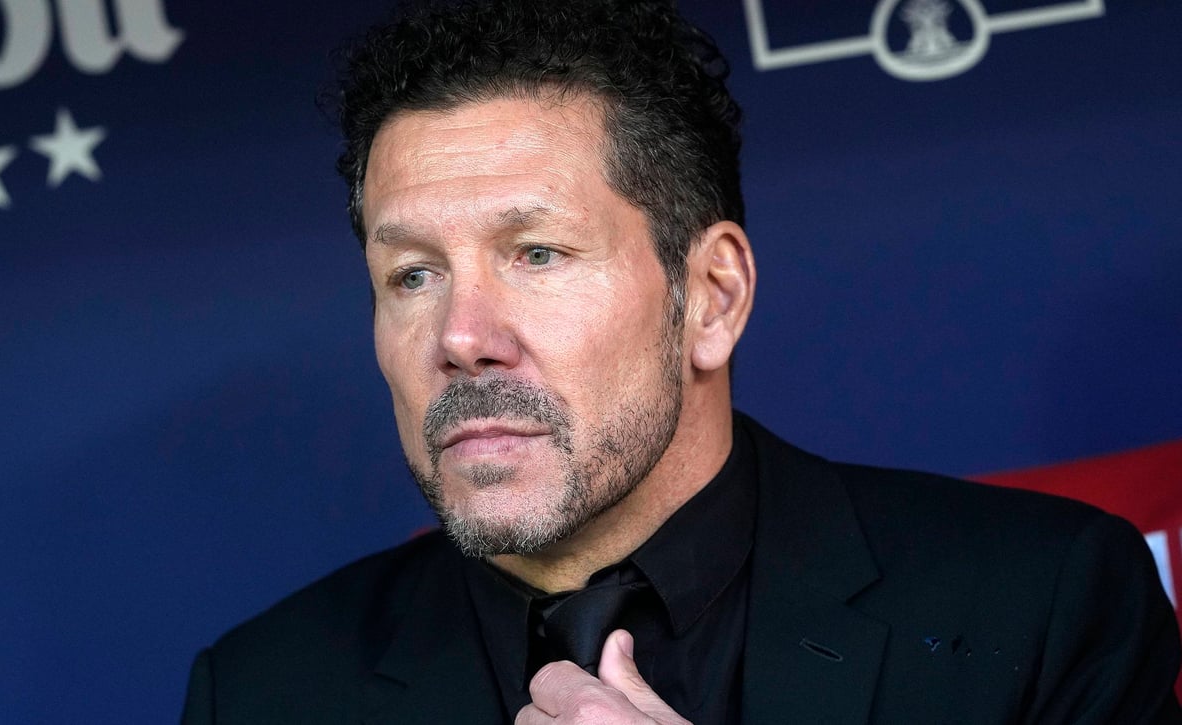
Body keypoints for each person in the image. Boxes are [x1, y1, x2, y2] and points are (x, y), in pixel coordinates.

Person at [180, 0, 1182, 722]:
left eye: (537, 253)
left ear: (711, 296)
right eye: (411, 274)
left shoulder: (1038, 602)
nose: (459, 334)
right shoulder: (264, 692)